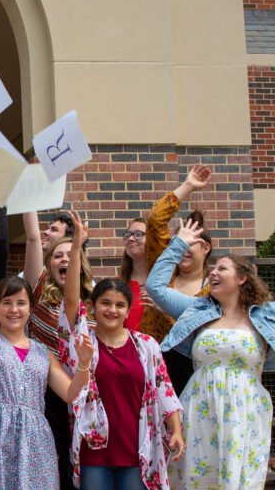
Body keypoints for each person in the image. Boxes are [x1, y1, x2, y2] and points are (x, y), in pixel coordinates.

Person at [0, 209, 93, 490]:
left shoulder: (43, 353)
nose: (14, 309)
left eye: (21, 303)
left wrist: (83, 363)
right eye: (6, 303)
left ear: (31, 309)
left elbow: (70, 393)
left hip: (35, 443)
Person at [146, 219, 275, 489]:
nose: (213, 272)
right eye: (213, 268)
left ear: (242, 278)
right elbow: (155, 287)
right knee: (197, 479)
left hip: (246, 409)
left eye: (222, 268)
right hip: (199, 406)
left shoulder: (267, 314)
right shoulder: (198, 310)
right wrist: (177, 243)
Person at [62, 211, 184, 490]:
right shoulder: (84, 343)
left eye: (119, 305)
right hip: (95, 450)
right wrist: (77, 247)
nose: (112, 310)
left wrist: (175, 429)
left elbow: (165, 389)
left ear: (128, 310)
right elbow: (70, 299)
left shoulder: (146, 346)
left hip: (138, 449)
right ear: (92, 307)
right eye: (105, 303)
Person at [22, 210, 95, 489]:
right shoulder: (38, 288)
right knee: (55, 460)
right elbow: (30, 239)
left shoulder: (94, 301)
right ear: (48, 264)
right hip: (49, 388)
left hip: (86, 391)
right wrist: (29, 197)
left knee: (84, 462)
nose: (64, 259)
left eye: (70, 253)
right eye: (57, 255)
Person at [141, 164, 213, 395]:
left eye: (191, 244)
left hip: (197, 376)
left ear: (206, 248)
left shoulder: (215, 290)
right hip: (155, 371)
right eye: (181, 242)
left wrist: (165, 310)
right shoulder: (164, 274)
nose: (184, 248)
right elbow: (155, 220)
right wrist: (188, 186)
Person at [119, 217, 148, 330]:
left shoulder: (168, 280)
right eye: (128, 234)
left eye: (138, 234)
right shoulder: (118, 284)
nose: (131, 238)